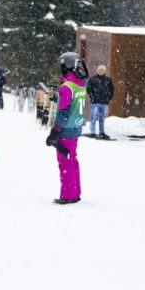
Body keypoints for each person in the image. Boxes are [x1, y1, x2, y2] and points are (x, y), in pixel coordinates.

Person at [46, 52, 88, 204]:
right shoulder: (80, 83)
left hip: (66, 129)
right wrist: (57, 96)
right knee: (72, 159)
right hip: (76, 127)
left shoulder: (67, 87)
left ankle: (68, 195)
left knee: (64, 162)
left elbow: (63, 111)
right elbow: (70, 100)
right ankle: (75, 191)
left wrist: (54, 130)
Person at [86, 64, 114, 139]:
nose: (100, 71)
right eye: (99, 70)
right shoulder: (92, 79)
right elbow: (89, 89)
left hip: (104, 103)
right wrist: (92, 97)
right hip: (95, 102)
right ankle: (92, 132)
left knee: (102, 118)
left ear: (105, 71)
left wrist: (108, 98)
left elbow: (111, 90)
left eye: (102, 70)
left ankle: (102, 132)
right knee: (93, 117)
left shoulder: (108, 80)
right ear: (97, 70)